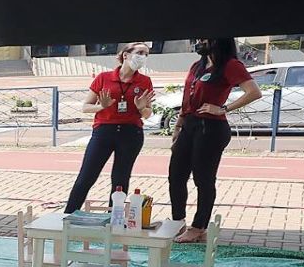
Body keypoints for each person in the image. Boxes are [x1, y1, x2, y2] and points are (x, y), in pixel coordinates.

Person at [170, 38, 262, 244]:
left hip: (211, 128)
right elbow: (187, 97)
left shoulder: (230, 65)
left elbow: (254, 92)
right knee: (176, 175)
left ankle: (199, 226)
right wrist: (178, 125)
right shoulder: (198, 66)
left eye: (205, 39)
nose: (200, 43)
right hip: (190, 124)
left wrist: (223, 108)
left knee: (203, 179)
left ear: (218, 41)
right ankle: (178, 221)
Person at [64, 43, 155, 213]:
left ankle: (115, 218)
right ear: (125, 55)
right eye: (139, 52)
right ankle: (68, 215)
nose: (143, 57)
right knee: (87, 176)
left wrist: (141, 107)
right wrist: (101, 106)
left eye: (146, 54)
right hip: (104, 131)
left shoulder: (144, 81)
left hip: (131, 133)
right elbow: (85, 107)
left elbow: (148, 114)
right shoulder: (103, 77)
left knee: (120, 179)